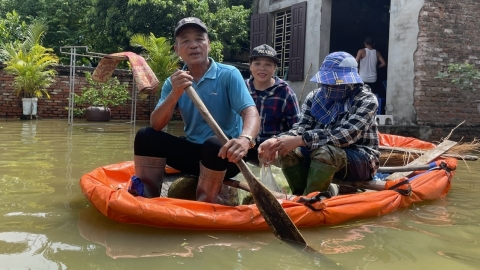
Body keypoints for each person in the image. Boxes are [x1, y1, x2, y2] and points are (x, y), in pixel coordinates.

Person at [133, 17, 259, 202]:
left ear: (208, 44)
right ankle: (147, 198)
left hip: (225, 156)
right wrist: (175, 93)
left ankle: (205, 204)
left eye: (199, 39)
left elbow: (251, 112)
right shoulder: (173, 82)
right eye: (185, 41)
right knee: (145, 135)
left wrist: (245, 139)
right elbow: (156, 124)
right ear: (177, 50)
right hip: (192, 155)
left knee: (213, 144)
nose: (194, 45)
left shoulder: (228, 74)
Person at [258, 52, 380, 196]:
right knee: (287, 151)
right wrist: (277, 141)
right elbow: (301, 127)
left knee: (326, 152)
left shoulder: (366, 100)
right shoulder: (315, 97)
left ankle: (311, 201)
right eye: (325, 82)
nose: (328, 86)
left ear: (350, 81)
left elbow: (345, 136)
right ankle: (302, 196)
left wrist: (301, 140)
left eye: (334, 83)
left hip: (359, 158)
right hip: (319, 152)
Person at [244, 44, 301, 164]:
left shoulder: (285, 92)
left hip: (272, 149)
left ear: (275, 68)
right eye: (257, 63)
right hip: (243, 144)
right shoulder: (242, 88)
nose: (262, 68)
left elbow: (297, 127)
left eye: (268, 64)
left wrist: (277, 142)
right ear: (250, 66)